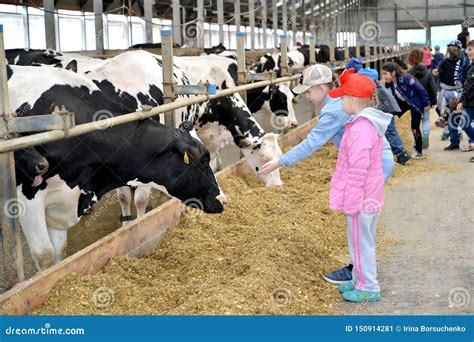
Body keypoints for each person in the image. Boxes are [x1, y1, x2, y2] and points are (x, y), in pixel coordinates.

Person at [257, 64, 395, 286]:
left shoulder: (333, 110)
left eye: (309, 91)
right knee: (362, 222)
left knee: (359, 221)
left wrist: (280, 161)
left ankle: (361, 276)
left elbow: (313, 142)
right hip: (376, 159)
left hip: (370, 165)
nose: (307, 97)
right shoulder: (339, 106)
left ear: (321, 88)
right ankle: (361, 269)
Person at [327, 69, 391, 302]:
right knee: (360, 239)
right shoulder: (363, 124)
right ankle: (358, 279)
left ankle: (369, 287)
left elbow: (358, 169)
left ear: (353, 100)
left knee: (361, 241)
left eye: (342, 97)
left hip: (362, 197)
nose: (340, 101)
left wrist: (352, 199)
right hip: (369, 194)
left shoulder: (361, 128)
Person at [358, 67, 410, 165]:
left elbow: (385, 103)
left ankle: (401, 153)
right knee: (388, 131)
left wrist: (376, 111)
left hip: (387, 110)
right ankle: (398, 152)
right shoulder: (376, 86)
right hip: (386, 109)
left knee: (390, 131)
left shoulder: (377, 89)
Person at [382, 62, 430, 159]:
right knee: (388, 114)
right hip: (403, 102)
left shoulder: (406, 78)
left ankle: (419, 150)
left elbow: (420, 89)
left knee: (415, 127)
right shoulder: (389, 83)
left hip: (415, 103)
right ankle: (389, 144)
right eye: (382, 74)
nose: (383, 76)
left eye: (385, 74)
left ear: (393, 73)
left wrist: (426, 103)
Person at [432, 40, 469, 149]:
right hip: (445, 90)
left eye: (454, 47)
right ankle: (454, 141)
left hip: (458, 91)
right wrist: (436, 72)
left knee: (456, 115)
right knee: (445, 113)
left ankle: (457, 136)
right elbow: (438, 71)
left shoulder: (464, 62)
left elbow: (467, 78)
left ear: (459, 49)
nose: (452, 49)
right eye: (450, 47)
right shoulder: (444, 61)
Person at [407, 48, 437, 149]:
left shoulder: (408, 73)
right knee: (426, 120)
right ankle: (425, 135)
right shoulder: (428, 72)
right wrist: (433, 100)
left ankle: (417, 142)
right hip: (426, 102)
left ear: (410, 58)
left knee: (415, 124)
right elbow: (433, 87)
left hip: (415, 103)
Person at [457, 40, 474, 161]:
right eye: (468, 49)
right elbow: (467, 85)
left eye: (470, 49)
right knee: (463, 123)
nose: (468, 52)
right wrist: (461, 101)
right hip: (469, 101)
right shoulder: (471, 66)